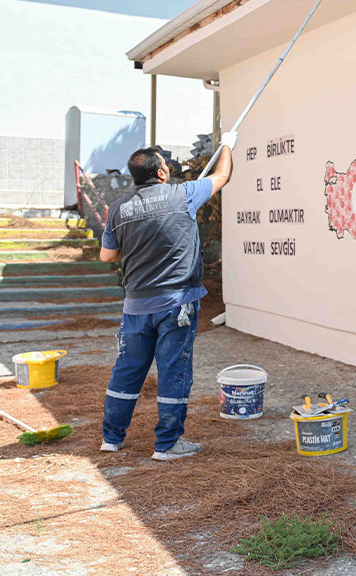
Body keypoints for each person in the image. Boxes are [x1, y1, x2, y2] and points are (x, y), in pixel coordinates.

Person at [99, 133, 236, 461]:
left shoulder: (119, 209)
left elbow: (108, 256)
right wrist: (228, 144)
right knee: (174, 371)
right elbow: (223, 176)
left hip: (136, 307)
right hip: (177, 305)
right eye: (165, 165)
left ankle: (111, 438)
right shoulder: (182, 195)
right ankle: (168, 444)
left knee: (128, 369)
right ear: (160, 173)